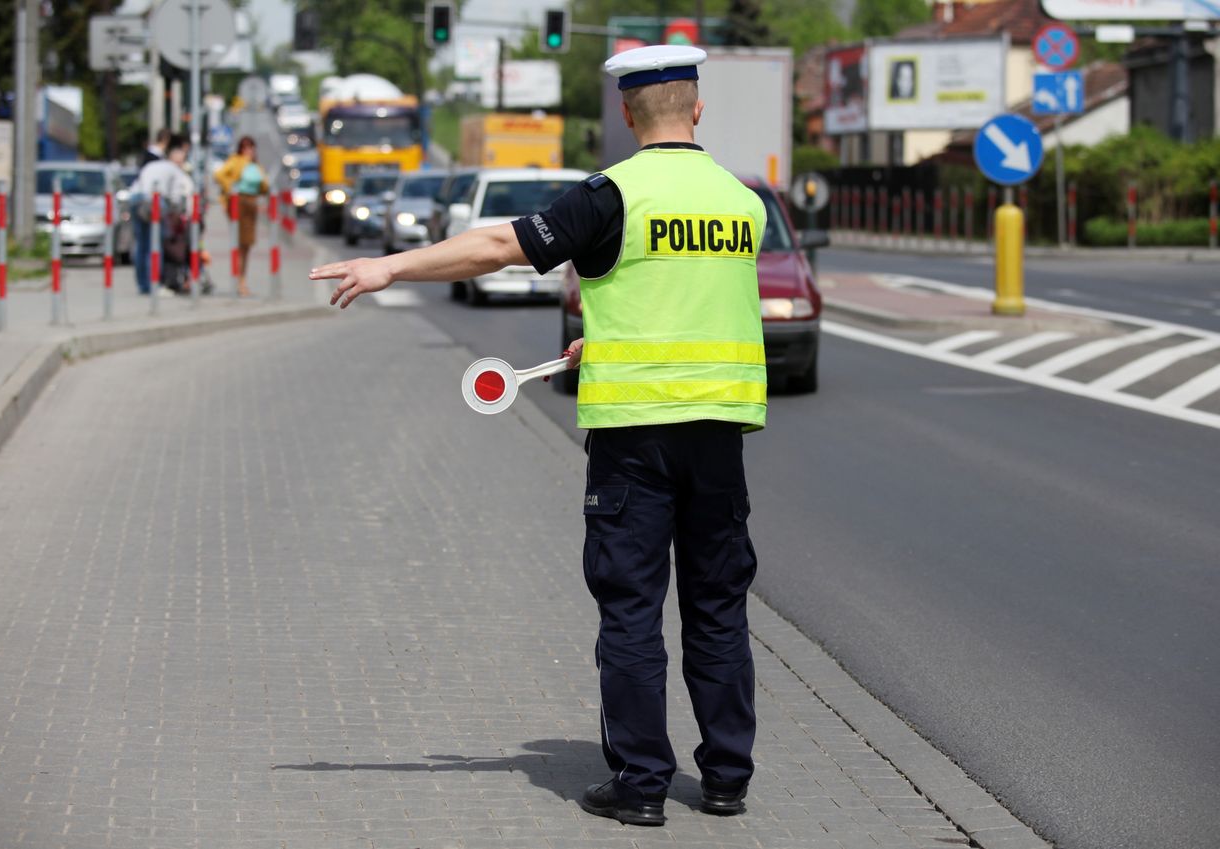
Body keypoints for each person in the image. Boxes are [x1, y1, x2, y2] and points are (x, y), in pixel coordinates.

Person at [309, 45, 766, 828]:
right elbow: (689, 303)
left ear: (626, 115)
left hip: (633, 439)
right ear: (698, 109)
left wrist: (391, 266)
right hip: (721, 436)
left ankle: (642, 783)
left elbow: (496, 245)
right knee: (718, 607)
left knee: (631, 610)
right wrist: (606, 344)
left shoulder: (614, 195)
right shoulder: (741, 201)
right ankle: (726, 776)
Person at [133, 132, 195, 296]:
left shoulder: (155, 165)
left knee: (141, 245)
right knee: (156, 243)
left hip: (136, 198)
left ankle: (143, 285)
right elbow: (175, 197)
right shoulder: (174, 170)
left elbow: (140, 181)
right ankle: (155, 284)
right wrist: (177, 214)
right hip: (153, 200)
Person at [214, 136, 269, 297]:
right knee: (239, 244)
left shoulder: (256, 165)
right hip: (239, 202)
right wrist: (231, 188)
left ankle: (242, 280)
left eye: (251, 147)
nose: (249, 151)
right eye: (245, 148)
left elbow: (263, 184)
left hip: (252, 203)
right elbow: (219, 174)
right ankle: (239, 282)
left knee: (247, 244)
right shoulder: (236, 161)